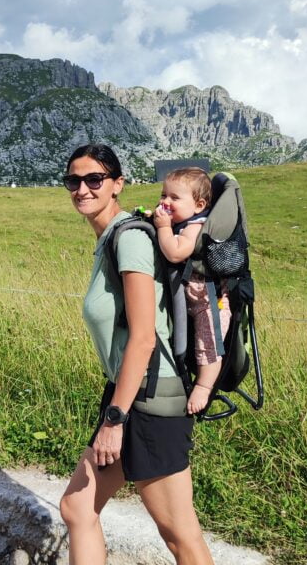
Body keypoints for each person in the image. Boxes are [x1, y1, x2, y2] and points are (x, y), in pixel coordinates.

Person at [59, 144, 214, 565]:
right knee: (77, 508)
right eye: (74, 180)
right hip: (131, 391)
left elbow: (144, 337)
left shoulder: (129, 239)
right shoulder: (111, 238)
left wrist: (115, 419)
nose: (83, 189)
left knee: (180, 534)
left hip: (148, 398)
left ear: (117, 185)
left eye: (95, 180)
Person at [152, 168, 231, 415]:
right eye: (164, 195)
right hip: (189, 299)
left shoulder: (196, 226)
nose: (165, 201)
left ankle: (204, 386)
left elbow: (175, 252)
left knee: (208, 344)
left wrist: (163, 227)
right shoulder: (182, 222)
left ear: (199, 205)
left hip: (210, 302)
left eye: (174, 198)